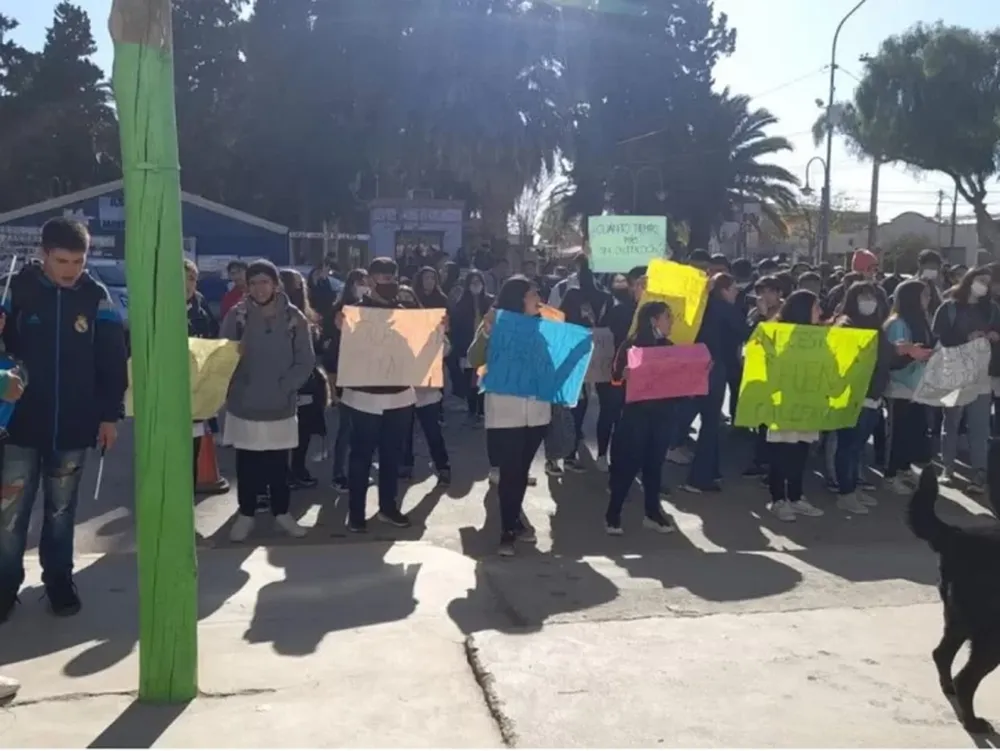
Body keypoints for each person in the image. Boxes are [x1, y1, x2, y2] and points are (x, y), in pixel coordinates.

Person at [0, 217, 128, 620]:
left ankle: (58, 582)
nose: (71, 270)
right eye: (62, 261)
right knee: (10, 514)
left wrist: (110, 416)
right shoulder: (14, 290)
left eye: (78, 261)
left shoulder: (97, 295)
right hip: (19, 426)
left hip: (74, 426)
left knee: (60, 512)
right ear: (43, 255)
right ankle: (5, 587)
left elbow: (111, 361)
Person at [220, 260, 315, 541]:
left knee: (278, 464)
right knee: (247, 463)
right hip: (245, 404)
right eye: (253, 283)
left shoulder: (294, 317)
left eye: (264, 282)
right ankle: (246, 514)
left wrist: (287, 386)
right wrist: (237, 383)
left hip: (280, 405)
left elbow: (305, 359)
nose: (259, 288)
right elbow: (224, 356)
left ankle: (282, 514)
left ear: (275, 284)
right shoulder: (237, 316)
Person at [466, 276, 550, 556]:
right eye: (532, 293)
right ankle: (507, 531)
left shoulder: (545, 324)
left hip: (537, 410)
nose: (537, 297)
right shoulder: (496, 322)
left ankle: (513, 517)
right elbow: (474, 357)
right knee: (510, 471)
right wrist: (487, 332)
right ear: (518, 298)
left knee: (522, 471)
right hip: (505, 409)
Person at [339, 257, 419, 532]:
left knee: (391, 455)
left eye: (392, 277)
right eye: (382, 278)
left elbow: (429, 349)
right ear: (370, 281)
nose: (389, 283)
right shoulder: (353, 313)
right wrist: (340, 328)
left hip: (399, 394)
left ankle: (388, 507)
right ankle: (356, 513)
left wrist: (436, 331)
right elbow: (338, 350)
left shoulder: (408, 312)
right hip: (364, 396)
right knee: (361, 455)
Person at [605, 301, 678, 535]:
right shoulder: (631, 345)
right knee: (628, 465)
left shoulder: (669, 346)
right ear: (653, 320)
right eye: (668, 317)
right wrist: (623, 376)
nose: (671, 322)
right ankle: (613, 514)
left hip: (662, 415)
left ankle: (652, 512)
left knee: (654, 465)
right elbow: (614, 378)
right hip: (636, 415)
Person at [931, 266, 999, 493]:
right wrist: (965, 338)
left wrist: (993, 336)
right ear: (969, 280)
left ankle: (979, 474)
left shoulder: (992, 309)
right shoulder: (949, 308)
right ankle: (947, 469)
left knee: (979, 426)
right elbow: (939, 337)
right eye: (981, 280)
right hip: (956, 373)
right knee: (951, 423)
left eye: (987, 282)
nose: (984, 286)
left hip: (981, 374)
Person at [683, 273, 750, 493]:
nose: (737, 293)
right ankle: (700, 476)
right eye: (734, 289)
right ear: (723, 290)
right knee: (710, 423)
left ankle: (710, 470)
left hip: (698, 365)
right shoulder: (723, 308)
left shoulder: (701, 306)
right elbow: (745, 331)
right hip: (714, 368)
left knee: (703, 418)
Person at [764, 290, 826, 522]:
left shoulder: (819, 335)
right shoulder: (777, 332)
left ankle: (797, 497)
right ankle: (778, 499)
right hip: (784, 401)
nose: (820, 311)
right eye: (816, 307)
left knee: (801, 450)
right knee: (781, 452)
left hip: (808, 401)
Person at [833, 282, 892, 514]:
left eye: (873, 296)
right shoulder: (845, 324)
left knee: (858, 447)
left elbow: (886, 359)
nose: (869, 301)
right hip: (853, 396)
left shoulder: (878, 326)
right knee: (847, 446)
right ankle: (845, 493)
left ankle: (853, 487)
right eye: (863, 296)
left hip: (874, 396)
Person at [883, 279, 935, 494]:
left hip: (917, 385)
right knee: (897, 432)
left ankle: (904, 468)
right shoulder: (897, 323)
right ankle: (891, 473)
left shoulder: (922, 321)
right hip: (900, 385)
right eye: (924, 295)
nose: (928, 300)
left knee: (912, 430)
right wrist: (915, 355)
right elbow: (895, 359)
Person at [279, 268, 328, 490]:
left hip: (308, 382)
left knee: (304, 428)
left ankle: (298, 468)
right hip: (282, 381)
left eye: (300, 284)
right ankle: (284, 472)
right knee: (283, 430)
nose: (297, 289)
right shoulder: (275, 317)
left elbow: (316, 349)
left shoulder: (308, 316)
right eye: (292, 284)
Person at [321, 269, 367, 492]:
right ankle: (338, 474)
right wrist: (334, 383)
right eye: (359, 282)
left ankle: (356, 472)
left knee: (362, 431)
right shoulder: (340, 310)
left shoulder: (370, 308)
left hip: (366, 376)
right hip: (346, 375)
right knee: (346, 429)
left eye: (365, 282)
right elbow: (331, 349)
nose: (362, 286)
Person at [449, 270, 493, 422]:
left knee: (483, 379)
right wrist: (460, 349)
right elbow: (457, 329)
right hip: (468, 347)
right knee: (470, 381)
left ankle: (482, 410)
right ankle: (472, 408)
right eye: (472, 282)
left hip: (487, 347)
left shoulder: (489, 302)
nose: (476, 285)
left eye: (478, 282)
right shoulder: (461, 305)